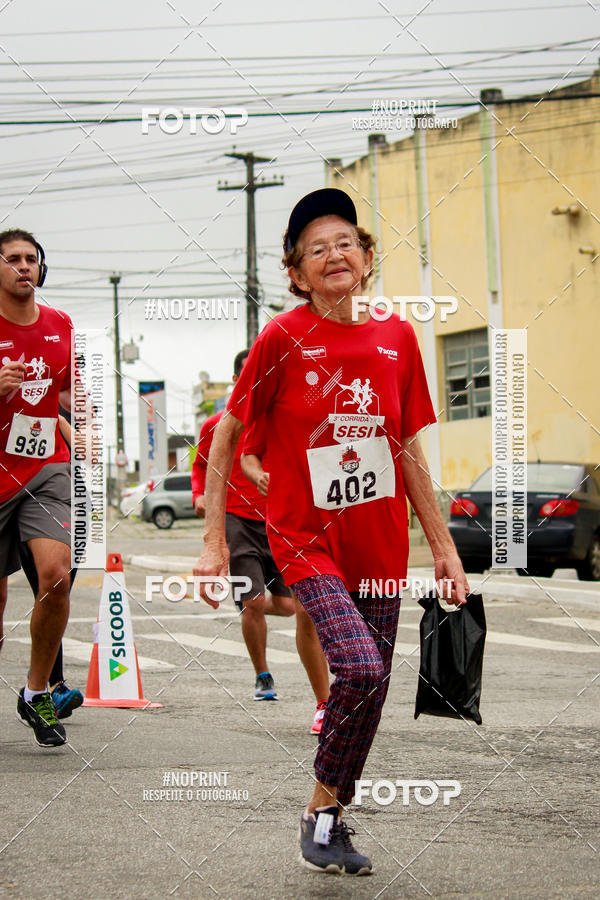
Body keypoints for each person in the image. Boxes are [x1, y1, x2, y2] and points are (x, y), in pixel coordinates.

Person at [194, 188, 469, 876]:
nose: (333, 255)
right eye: (316, 249)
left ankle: (324, 817)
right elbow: (227, 434)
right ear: (296, 273)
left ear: (369, 259)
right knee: (362, 666)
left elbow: (406, 449)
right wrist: (213, 540)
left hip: (379, 546)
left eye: (345, 242)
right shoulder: (282, 338)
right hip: (303, 537)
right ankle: (323, 815)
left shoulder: (397, 338)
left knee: (370, 690)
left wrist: (442, 548)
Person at [0, 228, 73, 748]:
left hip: (46, 465)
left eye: (32, 260)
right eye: (13, 260)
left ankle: (36, 690)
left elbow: (69, 393)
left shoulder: (60, 325)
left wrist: (81, 425)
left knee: (56, 576)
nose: (24, 267)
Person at [192, 350, 296, 701]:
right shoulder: (216, 424)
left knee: (287, 607)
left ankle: (247, 600)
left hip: (278, 520)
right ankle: (263, 675)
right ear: (239, 379)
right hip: (236, 521)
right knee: (253, 604)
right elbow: (199, 467)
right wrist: (198, 496)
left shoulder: (277, 420)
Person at [240, 425, 330, 733]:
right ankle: (324, 703)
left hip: (339, 511)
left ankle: (359, 694)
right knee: (304, 610)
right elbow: (240, 457)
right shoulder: (241, 417)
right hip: (272, 520)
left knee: (289, 605)